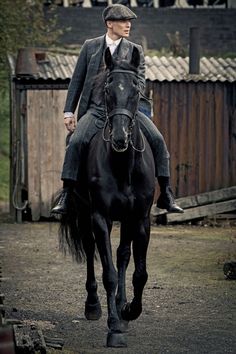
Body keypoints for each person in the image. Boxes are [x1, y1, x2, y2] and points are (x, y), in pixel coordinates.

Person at [51, 4, 183, 214]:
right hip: (96, 111)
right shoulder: (90, 46)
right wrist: (69, 112)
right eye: (123, 21)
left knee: (158, 140)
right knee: (75, 142)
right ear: (109, 23)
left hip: (128, 112)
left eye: (129, 21)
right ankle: (67, 193)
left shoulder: (135, 50)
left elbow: (140, 83)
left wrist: (124, 87)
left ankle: (166, 193)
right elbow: (77, 80)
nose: (128, 25)